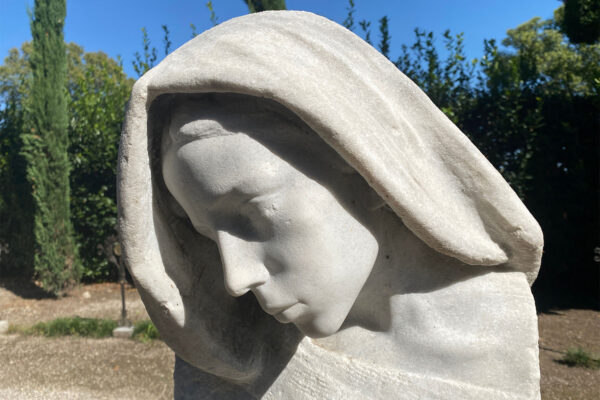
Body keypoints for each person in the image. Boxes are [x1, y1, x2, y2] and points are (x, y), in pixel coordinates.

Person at [118, 11, 543, 399]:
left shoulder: (492, 327)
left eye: (254, 214)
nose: (236, 278)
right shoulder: (226, 361)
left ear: (368, 170)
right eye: (207, 234)